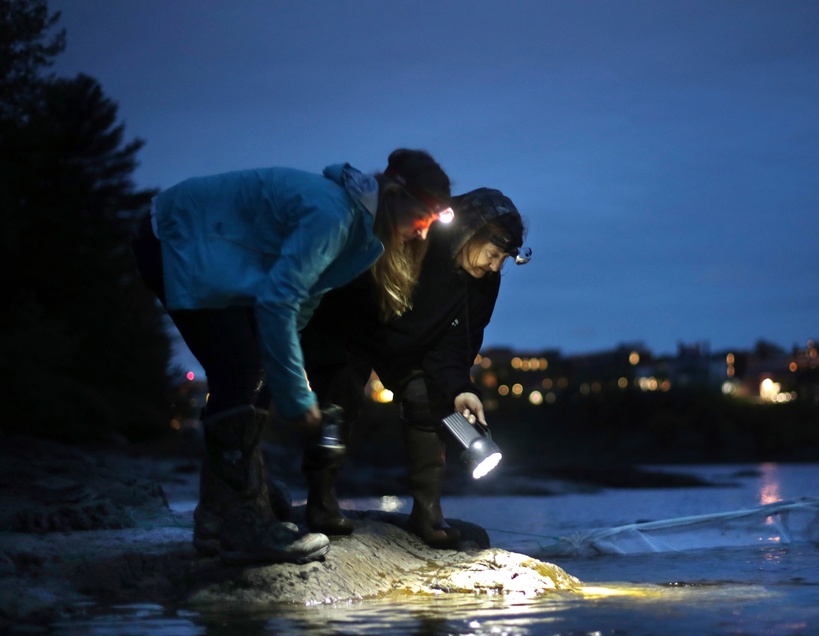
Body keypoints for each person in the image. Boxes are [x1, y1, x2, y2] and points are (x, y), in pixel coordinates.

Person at [131, 149, 453, 564]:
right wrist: (297, 395)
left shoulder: (360, 233)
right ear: (395, 195)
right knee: (239, 369)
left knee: (254, 370)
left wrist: (285, 370)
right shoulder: (332, 215)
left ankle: (225, 509)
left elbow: (303, 302)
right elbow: (278, 301)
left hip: (205, 244)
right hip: (176, 235)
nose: (424, 233)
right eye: (424, 218)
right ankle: (239, 519)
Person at [299, 188, 530, 548]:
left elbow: (458, 344)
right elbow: (353, 294)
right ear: (471, 233)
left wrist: (460, 389)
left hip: (408, 347)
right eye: (493, 254)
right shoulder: (416, 240)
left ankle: (427, 512)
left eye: (503, 259)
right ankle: (321, 502)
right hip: (351, 327)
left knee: (427, 397)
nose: (495, 266)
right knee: (339, 396)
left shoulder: (484, 283)